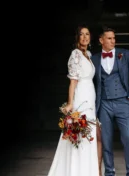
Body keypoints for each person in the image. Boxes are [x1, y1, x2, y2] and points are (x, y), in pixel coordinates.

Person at [46, 25, 103, 176]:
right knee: (80, 134)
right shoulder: (76, 55)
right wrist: (71, 103)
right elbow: (73, 82)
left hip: (90, 99)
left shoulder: (88, 55)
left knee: (90, 135)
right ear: (77, 38)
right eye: (81, 34)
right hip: (81, 99)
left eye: (87, 34)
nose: (85, 37)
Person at [91, 26, 129, 176]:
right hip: (104, 104)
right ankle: (109, 172)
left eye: (114, 38)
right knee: (106, 141)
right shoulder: (94, 59)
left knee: (128, 139)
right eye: (109, 38)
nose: (113, 41)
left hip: (123, 102)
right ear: (101, 40)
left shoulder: (126, 54)